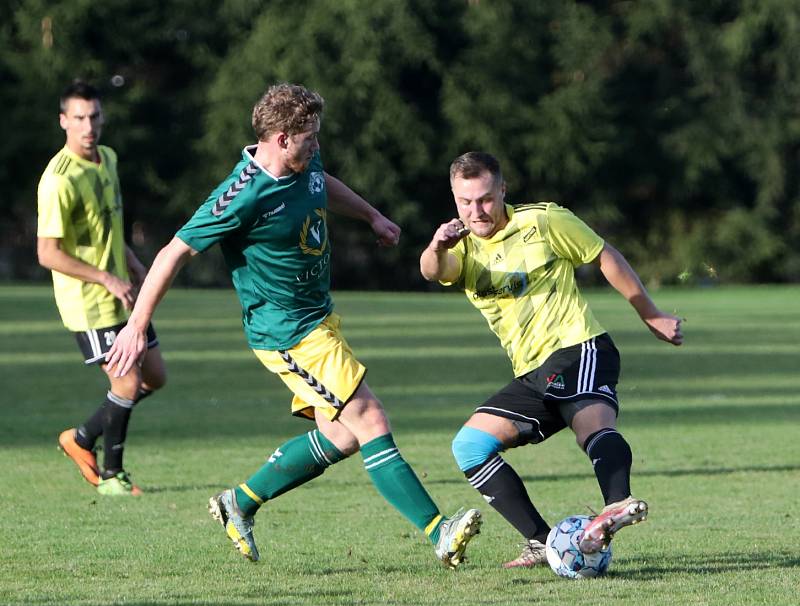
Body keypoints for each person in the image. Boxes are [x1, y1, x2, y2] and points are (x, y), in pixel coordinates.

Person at [105, 83, 481, 567]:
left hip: (319, 319)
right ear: (281, 138)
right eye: (309, 137)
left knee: (343, 436)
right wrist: (137, 326)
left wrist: (371, 216)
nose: (317, 145)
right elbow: (173, 252)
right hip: (287, 333)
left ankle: (238, 503)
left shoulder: (305, 163)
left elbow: (324, 186)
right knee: (369, 418)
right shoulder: (241, 194)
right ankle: (439, 532)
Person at [420, 151, 683, 568]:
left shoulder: (544, 221)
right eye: (465, 202)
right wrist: (437, 244)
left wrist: (649, 313)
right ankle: (542, 542)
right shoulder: (461, 246)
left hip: (579, 347)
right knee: (470, 446)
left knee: (590, 427)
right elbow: (433, 271)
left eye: (485, 199)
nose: (476, 211)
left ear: (502, 190)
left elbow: (604, 254)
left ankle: (618, 502)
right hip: (530, 374)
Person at [37, 80, 167, 496]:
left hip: (123, 294)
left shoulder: (107, 158)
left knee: (155, 377)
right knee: (126, 384)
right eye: (78, 118)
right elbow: (48, 253)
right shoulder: (58, 179)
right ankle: (112, 475)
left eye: (94, 116)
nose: (88, 126)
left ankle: (79, 438)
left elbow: (107, 227)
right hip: (89, 303)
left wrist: (132, 264)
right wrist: (106, 278)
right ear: (63, 121)